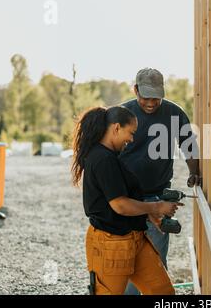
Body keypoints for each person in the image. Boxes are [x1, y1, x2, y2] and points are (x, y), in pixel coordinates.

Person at [71, 105, 183, 295]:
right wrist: (157, 207)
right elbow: (120, 205)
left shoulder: (111, 157)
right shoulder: (102, 159)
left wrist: (149, 213)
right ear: (116, 128)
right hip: (111, 244)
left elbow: (126, 198)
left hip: (135, 240)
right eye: (130, 133)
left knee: (162, 292)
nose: (131, 140)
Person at [119, 68, 200, 295]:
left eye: (156, 97)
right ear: (135, 90)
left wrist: (195, 172)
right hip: (127, 201)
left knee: (155, 265)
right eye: (146, 96)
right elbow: (107, 154)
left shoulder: (174, 113)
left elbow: (189, 146)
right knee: (127, 261)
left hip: (158, 197)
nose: (152, 102)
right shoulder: (122, 113)